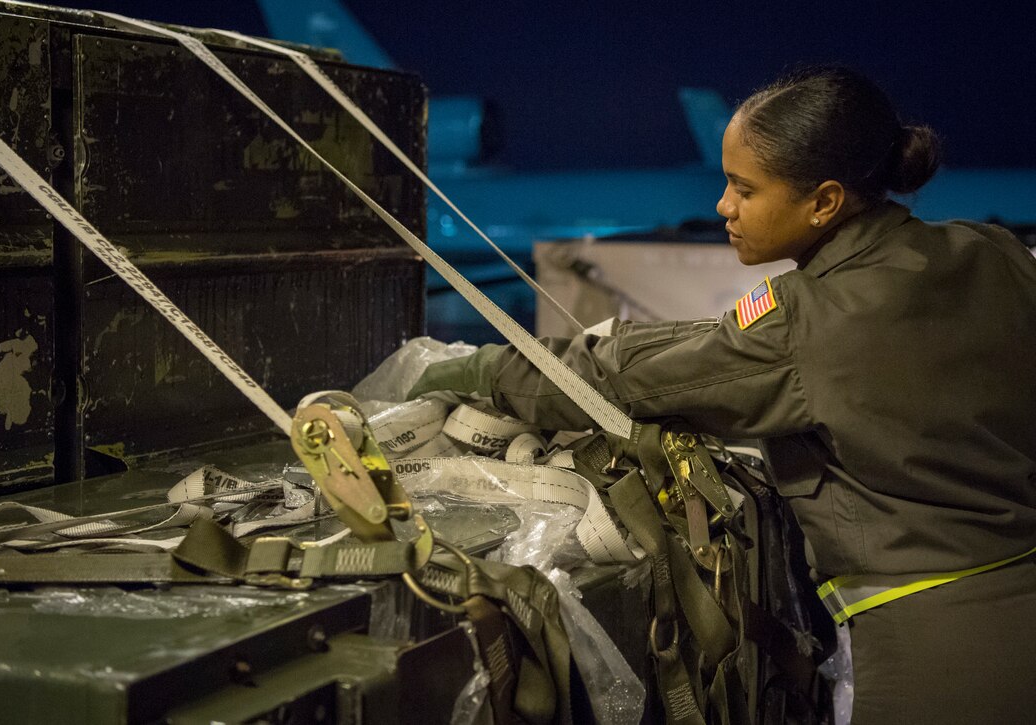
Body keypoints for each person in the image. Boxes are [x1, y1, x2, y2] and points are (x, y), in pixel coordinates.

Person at [408, 66, 1036, 724]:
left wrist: (472, 372)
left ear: (824, 201)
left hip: (929, 657)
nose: (722, 207)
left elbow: (622, 377)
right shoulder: (992, 251)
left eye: (744, 188)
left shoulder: (807, 321)